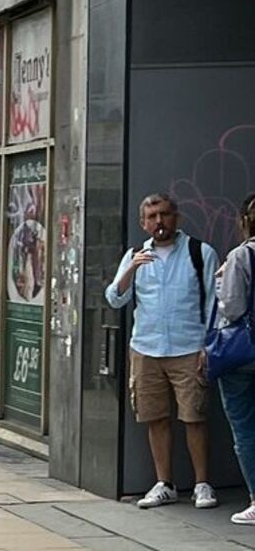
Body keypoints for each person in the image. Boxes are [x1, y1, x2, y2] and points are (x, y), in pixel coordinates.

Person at [107, 193, 219, 509]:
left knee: (194, 416)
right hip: (147, 348)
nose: (160, 222)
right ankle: (164, 483)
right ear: (143, 223)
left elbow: (214, 303)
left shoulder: (200, 253)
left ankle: (202, 484)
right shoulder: (135, 255)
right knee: (154, 417)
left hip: (188, 347)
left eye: (165, 214)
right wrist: (131, 269)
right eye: (153, 216)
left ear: (176, 217)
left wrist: (207, 346)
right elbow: (114, 299)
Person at [214, 195, 255, 525]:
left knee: (245, 429)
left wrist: (219, 279)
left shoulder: (242, 256)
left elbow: (231, 308)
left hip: (243, 356)